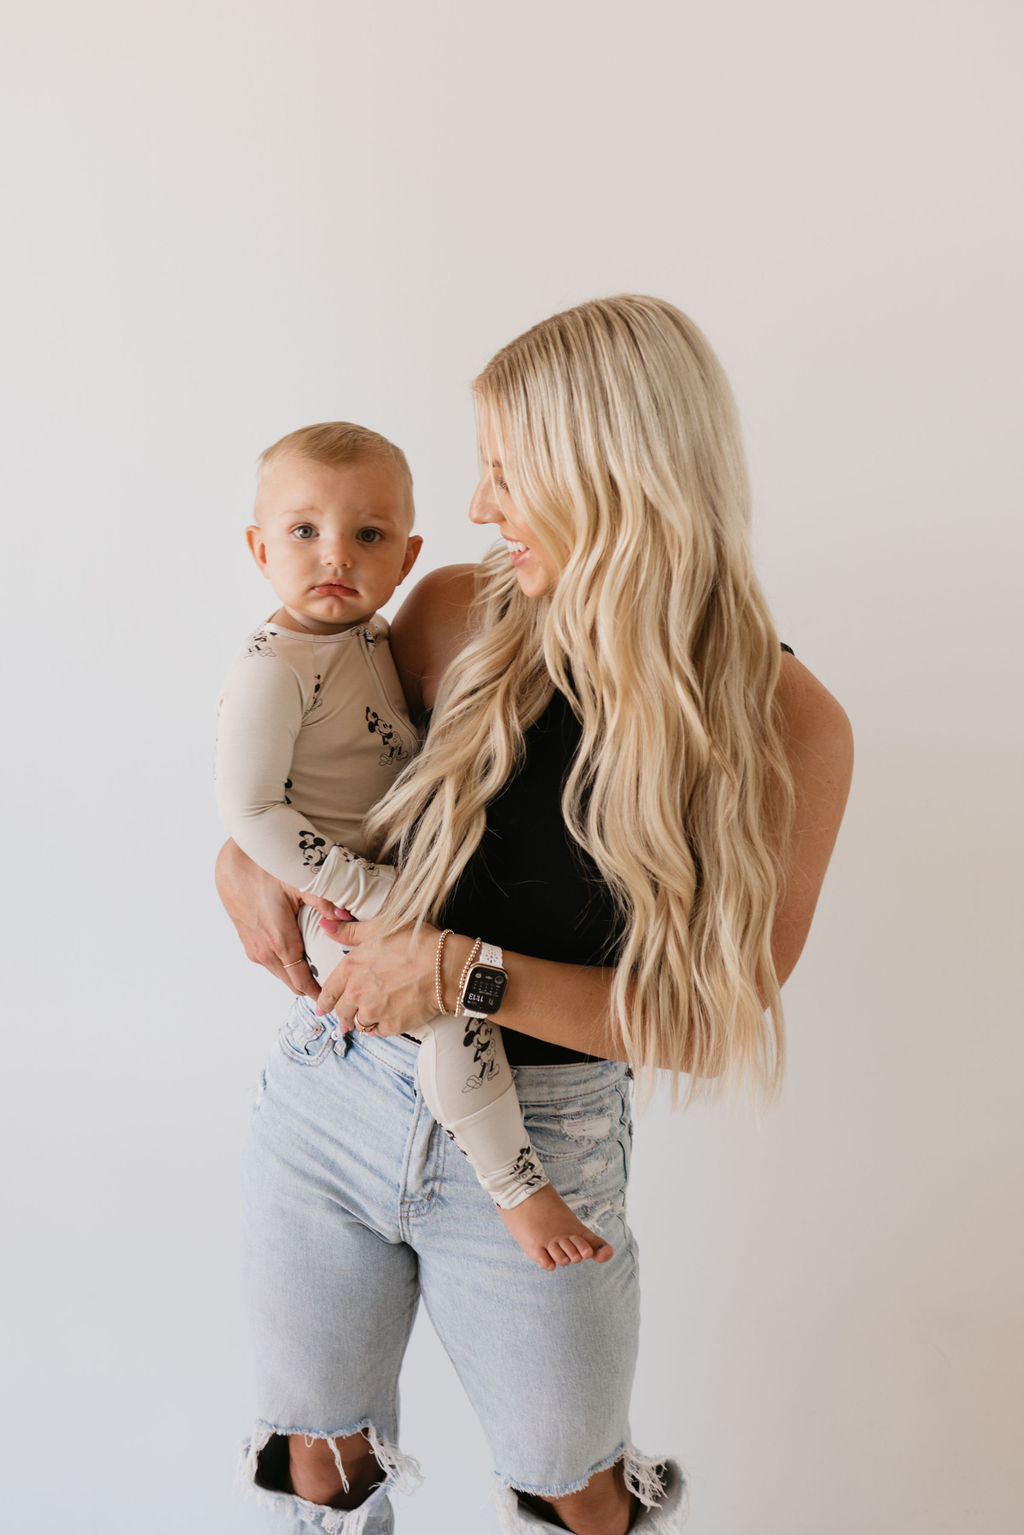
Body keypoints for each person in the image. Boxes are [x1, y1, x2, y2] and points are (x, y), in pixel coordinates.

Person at [217, 295, 854, 1535]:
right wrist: (234, 860)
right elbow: (318, 773)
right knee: (315, 1455)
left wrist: (462, 968)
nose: (476, 506)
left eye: (508, 470)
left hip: (544, 1144)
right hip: (335, 1085)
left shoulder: (788, 726)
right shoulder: (453, 610)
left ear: (612, 472)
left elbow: (707, 1023)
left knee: (575, 1485)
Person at [216, 421, 610, 1269]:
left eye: (369, 536)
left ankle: (515, 1183)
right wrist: (356, 885)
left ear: (404, 555)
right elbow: (249, 808)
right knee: (458, 1031)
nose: (337, 558)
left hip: (404, 899)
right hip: (359, 907)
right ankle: (519, 1188)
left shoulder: (371, 641)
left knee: (458, 1014)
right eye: (303, 531)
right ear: (258, 548)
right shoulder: (273, 664)